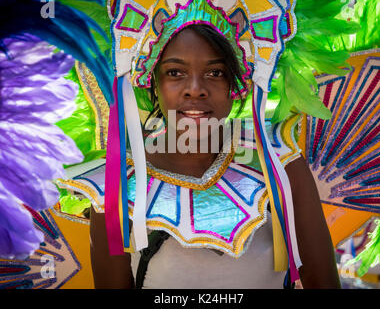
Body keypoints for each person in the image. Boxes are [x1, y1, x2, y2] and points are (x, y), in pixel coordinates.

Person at [89, 22, 340, 289]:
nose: (195, 88)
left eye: (215, 72)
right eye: (175, 72)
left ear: (236, 81)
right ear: (152, 80)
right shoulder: (116, 183)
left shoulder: (280, 163)